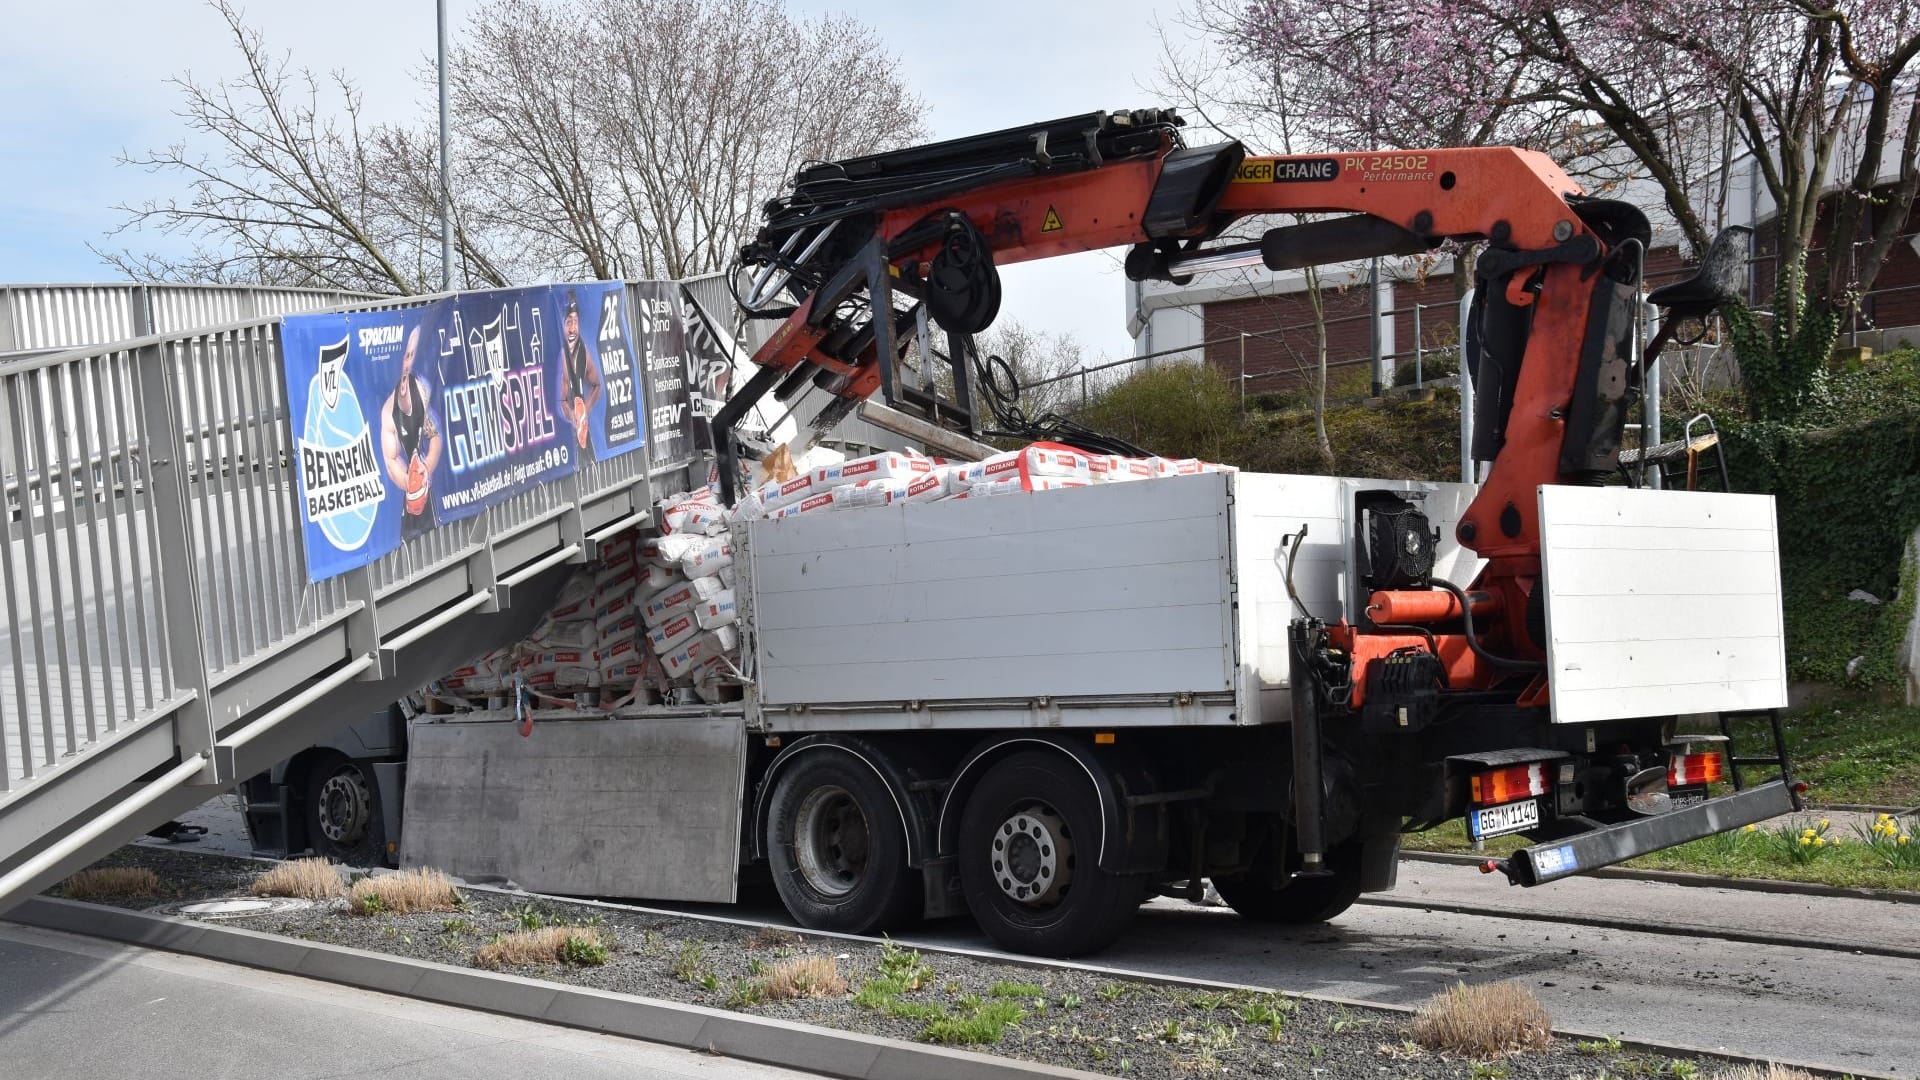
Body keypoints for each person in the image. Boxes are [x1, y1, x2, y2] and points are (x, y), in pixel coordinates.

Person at [381, 325, 442, 540]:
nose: (406, 364)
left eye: (410, 356)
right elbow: (390, 461)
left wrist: (426, 467)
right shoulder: (388, 412)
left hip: (429, 498)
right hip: (408, 507)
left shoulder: (420, 390)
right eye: (404, 357)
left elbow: (433, 437)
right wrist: (410, 485)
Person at [559, 290, 602, 451]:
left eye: (576, 322)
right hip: (562, 441)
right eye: (569, 322)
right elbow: (560, 400)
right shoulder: (560, 357)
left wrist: (585, 410)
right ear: (561, 324)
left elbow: (597, 385)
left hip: (582, 436)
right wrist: (572, 416)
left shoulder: (584, 352)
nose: (573, 329)